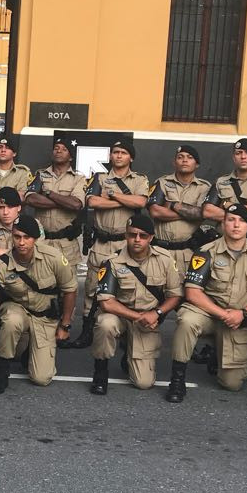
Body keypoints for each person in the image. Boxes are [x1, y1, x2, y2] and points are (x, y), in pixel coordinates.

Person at [165, 204, 247, 402]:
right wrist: (223, 314)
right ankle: (177, 379)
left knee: (232, 384)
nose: (236, 225)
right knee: (187, 320)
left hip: (239, 316)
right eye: (231, 220)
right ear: (222, 224)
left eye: (242, 221)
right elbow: (192, 292)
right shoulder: (206, 251)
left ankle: (218, 354)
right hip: (208, 313)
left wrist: (243, 313)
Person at [0, 214, 77, 393]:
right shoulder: (1, 265)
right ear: (12, 237)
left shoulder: (53, 257)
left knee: (41, 378)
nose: (21, 242)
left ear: (35, 239)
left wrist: (65, 325)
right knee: (11, 320)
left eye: (27, 238)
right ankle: (1, 373)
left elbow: (70, 290)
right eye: (17, 237)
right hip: (19, 311)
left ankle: (29, 350)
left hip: (45, 317)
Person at [88, 212, 183, 395]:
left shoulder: (165, 259)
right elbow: (106, 303)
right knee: (105, 323)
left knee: (143, 383)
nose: (137, 240)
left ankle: (128, 351)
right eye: (132, 235)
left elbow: (175, 295)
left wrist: (157, 313)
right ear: (126, 235)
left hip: (149, 319)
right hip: (121, 316)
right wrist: (138, 316)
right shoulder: (112, 262)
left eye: (143, 236)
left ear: (151, 238)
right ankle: (100, 371)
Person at [73, 140, 150, 349]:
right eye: (115, 152)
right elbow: (92, 202)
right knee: (91, 289)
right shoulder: (100, 177)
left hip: (125, 245)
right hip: (102, 243)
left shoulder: (139, 179)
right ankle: (87, 331)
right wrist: (126, 200)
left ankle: (124, 332)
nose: (118, 156)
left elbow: (141, 202)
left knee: (126, 288)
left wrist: (113, 195)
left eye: (123, 153)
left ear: (130, 157)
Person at [23, 134, 87, 328]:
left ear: (70, 156)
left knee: (66, 288)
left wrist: (48, 193)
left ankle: (64, 327)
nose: (58, 150)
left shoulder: (79, 178)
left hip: (66, 243)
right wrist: (61, 200)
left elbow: (76, 204)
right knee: (39, 284)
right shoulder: (40, 175)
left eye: (63, 149)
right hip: (42, 241)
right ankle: (40, 326)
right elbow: (30, 199)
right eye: (56, 148)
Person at [147, 144, 211, 278]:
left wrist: (172, 205)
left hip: (188, 252)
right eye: (180, 157)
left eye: (189, 157)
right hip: (160, 250)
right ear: (174, 162)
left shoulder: (204, 187)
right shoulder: (162, 182)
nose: (184, 160)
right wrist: (188, 212)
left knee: (184, 291)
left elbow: (201, 214)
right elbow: (155, 212)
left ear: (197, 164)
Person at [202, 138, 247, 231]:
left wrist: (226, 204)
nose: (243, 156)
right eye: (238, 153)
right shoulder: (221, 181)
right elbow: (207, 211)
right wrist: (244, 214)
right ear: (233, 158)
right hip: (223, 239)